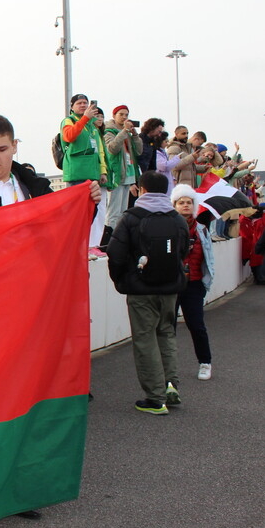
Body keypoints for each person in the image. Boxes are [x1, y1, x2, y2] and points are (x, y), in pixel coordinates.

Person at [106, 171, 189, 415]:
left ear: (141, 190)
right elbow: (182, 251)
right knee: (167, 334)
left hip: (141, 290)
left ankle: (155, 399)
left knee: (145, 340)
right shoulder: (177, 218)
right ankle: (170, 385)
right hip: (171, 288)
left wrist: (123, 280)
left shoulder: (132, 217)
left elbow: (116, 253)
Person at [170, 184, 215, 381]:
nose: (186, 206)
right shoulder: (169, 228)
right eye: (181, 202)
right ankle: (167, 366)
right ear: (175, 205)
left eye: (189, 202)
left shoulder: (202, 230)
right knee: (167, 327)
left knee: (196, 325)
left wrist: (207, 280)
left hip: (194, 284)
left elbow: (209, 258)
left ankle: (205, 363)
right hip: (172, 283)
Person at [102, 105, 142, 242]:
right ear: (114, 116)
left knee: (122, 211)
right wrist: (123, 131)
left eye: (126, 115)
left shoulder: (128, 133)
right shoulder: (108, 131)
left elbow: (139, 151)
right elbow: (112, 148)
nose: (124, 117)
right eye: (121, 114)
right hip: (116, 174)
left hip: (128, 173)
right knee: (113, 210)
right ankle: (110, 238)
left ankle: (119, 238)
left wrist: (134, 134)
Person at [60, 94, 106, 187]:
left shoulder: (92, 126)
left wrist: (102, 171)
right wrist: (85, 118)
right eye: (79, 103)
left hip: (92, 173)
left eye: (85, 103)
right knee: (77, 201)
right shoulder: (68, 121)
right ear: (72, 107)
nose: (83, 105)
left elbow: (99, 151)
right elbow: (69, 136)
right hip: (76, 173)